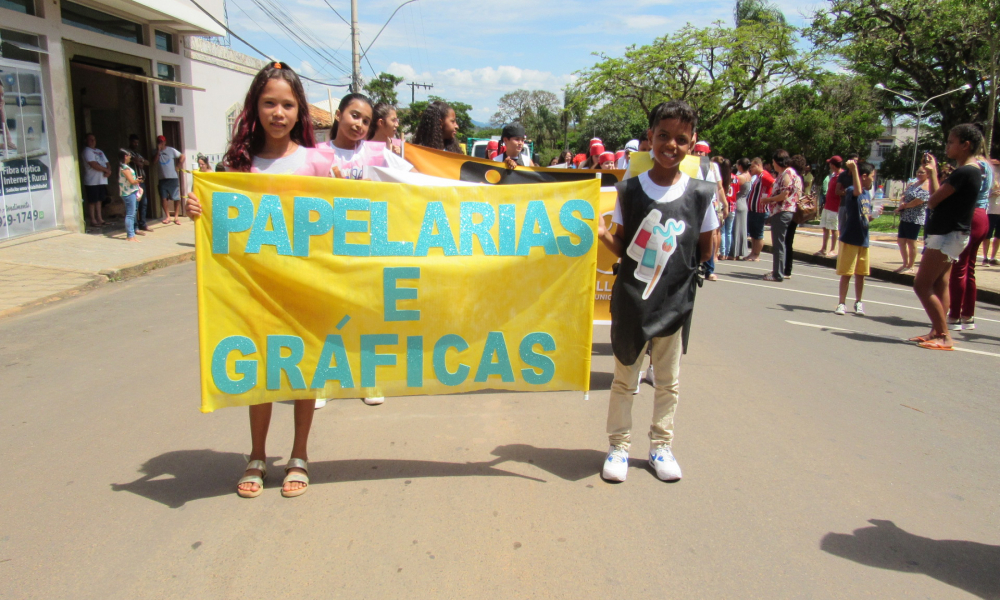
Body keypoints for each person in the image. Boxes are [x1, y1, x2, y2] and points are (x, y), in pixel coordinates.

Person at [186, 61, 339, 498]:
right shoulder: (237, 165)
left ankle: (300, 455)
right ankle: (256, 455)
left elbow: (337, 223)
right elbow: (221, 220)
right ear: (255, 107)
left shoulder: (317, 161)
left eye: (287, 104)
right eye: (269, 102)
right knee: (261, 368)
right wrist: (199, 208)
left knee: (302, 368)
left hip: (305, 286)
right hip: (254, 288)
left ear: (300, 112)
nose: (278, 112)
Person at [596, 100, 717, 483]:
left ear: (692, 142)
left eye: (681, 139)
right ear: (650, 137)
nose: (671, 145)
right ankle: (618, 446)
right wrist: (603, 236)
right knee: (624, 379)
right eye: (663, 136)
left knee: (668, 381)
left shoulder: (700, 193)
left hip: (674, 302)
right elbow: (621, 243)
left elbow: (707, 248)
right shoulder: (629, 190)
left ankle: (661, 446)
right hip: (632, 301)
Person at [910, 124, 984, 350]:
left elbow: (932, 200)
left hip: (947, 234)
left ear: (965, 145)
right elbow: (937, 198)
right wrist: (933, 173)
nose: (947, 146)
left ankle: (944, 334)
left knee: (922, 285)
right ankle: (937, 330)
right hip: (952, 234)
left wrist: (934, 178)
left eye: (951, 142)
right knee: (940, 283)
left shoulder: (965, 172)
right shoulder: (970, 171)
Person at [946, 130, 994, 331]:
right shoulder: (987, 166)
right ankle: (967, 315)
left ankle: (955, 315)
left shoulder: (974, 166)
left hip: (971, 214)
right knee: (969, 268)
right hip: (983, 214)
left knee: (959, 268)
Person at [325, 93, 412, 181]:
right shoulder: (319, 153)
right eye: (355, 116)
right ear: (338, 115)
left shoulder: (377, 153)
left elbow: (414, 176)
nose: (359, 124)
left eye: (366, 121)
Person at [834, 160, 876, 315]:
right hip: (850, 239)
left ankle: (858, 301)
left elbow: (864, 216)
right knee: (847, 273)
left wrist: (873, 216)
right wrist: (853, 169)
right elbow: (857, 190)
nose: (873, 179)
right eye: (872, 176)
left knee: (861, 274)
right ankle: (841, 303)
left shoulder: (867, 194)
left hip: (863, 240)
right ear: (864, 176)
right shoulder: (852, 189)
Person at [761, 150, 801, 282]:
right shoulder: (788, 173)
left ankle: (778, 274)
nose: (772, 164)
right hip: (785, 211)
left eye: (773, 161)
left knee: (779, 243)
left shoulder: (787, 174)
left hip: (783, 211)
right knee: (781, 243)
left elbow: (784, 195)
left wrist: (768, 200)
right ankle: (778, 270)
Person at [893, 165, 930, 273]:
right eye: (918, 172)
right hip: (905, 216)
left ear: (928, 174)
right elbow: (904, 195)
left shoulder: (927, 185)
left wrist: (905, 206)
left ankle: (911, 265)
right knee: (901, 240)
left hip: (915, 217)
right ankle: (905, 263)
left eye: (922, 172)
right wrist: (901, 204)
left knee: (911, 241)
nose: (919, 174)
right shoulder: (913, 184)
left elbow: (919, 200)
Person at [782, 154, 809, 279]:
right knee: (789, 242)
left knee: (783, 241)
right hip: (795, 212)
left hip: (787, 209)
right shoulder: (800, 179)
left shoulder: (791, 177)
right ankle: (788, 269)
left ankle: (783, 267)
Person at [744, 157, 773, 261]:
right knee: (753, 233)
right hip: (753, 209)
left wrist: (769, 198)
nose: (751, 169)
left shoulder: (764, 176)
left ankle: (756, 254)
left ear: (758, 165)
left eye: (752, 166)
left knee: (758, 233)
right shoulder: (758, 176)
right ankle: (753, 253)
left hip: (760, 210)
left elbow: (774, 184)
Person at [81, 133, 111, 227]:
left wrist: (109, 170)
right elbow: (93, 164)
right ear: (86, 141)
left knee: (99, 200)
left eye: (94, 139)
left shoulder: (99, 151)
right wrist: (106, 170)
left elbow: (107, 162)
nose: (93, 141)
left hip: (101, 180)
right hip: (92, 181)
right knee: (92, 201)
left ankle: (100, 219)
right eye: (90, 139)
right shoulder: (87, 151)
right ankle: (93, 220)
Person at [817, 156, 843, 257]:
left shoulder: (842, 175)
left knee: (834, 228)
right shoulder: (833, 175)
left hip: (835, 207)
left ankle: (832, 249)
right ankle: (823, 248)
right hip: (828, 205)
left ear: (832, 165)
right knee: (825, 227)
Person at [156, 135, 183, 225]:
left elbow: (182, 156)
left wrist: (178, 166)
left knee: (176, 197)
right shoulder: (156, 152)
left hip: (172, 177)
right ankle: (168, 216)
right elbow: (154, 161)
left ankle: (176, 217)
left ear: (165, 142)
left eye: (162, 142)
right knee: (164, 198)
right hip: (162, 178)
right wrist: (158, 151)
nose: (161, 143)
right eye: (159, 142)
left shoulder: (171, 150)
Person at [128, 134, 151, 234]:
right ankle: (135, 226)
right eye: (134, 142)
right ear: (130, 142)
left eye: (137, 143)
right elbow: (135, 161)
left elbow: (147, 162)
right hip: (134, 183)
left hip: (142, 182)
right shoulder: (128, 153)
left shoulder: (138, 153)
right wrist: (139, 162)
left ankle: (143, 223)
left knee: (144, 204)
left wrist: (141, 161)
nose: (136, 144)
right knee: (135, 205)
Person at [729, 158, 751, 260]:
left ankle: (734, 253)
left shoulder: (740, 178)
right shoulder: (749, 176)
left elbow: (732, 188)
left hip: (737, 203)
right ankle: (739, 251)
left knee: (735, 229)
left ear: (740, 166)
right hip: (744, 203)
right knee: (742, 229)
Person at [118, 149, 142, 242]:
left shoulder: (125, 167)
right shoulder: (125, 168)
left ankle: (132, 235)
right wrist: (138, 181)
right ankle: (130, 235)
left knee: (132, 214)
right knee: (130, 214)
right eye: (129, 155)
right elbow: (131, 181)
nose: (130, 157)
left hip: (131, 192)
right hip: (128, 193)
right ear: (125, 156)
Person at [717, 157, 735, 260]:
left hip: (723, 205)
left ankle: (722, 253)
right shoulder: (735, 178)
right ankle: (728, 252)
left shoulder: (720, 177)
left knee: (722, 231)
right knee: (729, 231)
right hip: (733, 205)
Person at [983, 159, 1000, 266]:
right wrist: (991, 194)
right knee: (987, 235)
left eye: (997, 166)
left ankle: (993, 257)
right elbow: (981, 194)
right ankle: (985, 257)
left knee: (998, 236)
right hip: (989, 210)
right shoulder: (986, 178)